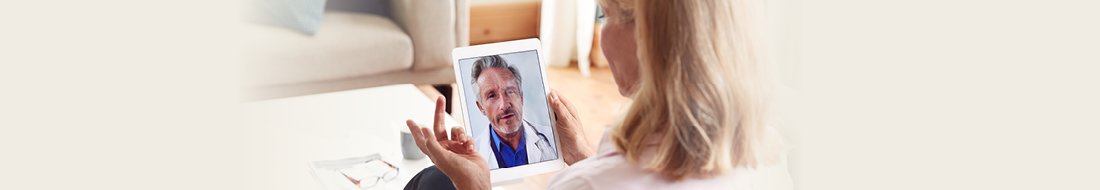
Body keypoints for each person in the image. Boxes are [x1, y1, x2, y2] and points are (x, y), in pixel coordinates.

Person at [403, 0, 792, 189]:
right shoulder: (770, 154)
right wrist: (585, 158)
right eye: (492, 96)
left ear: (648, 39)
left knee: (432, 182)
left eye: (603, 14)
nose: (504, 104)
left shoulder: (583, 186)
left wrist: (476, 187)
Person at [468, 55, 556, 169]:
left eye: (510, 91)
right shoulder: (473, 155)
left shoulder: (553, 139)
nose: (504, 105)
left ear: (521, 97)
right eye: (492, 96)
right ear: (481, 108)